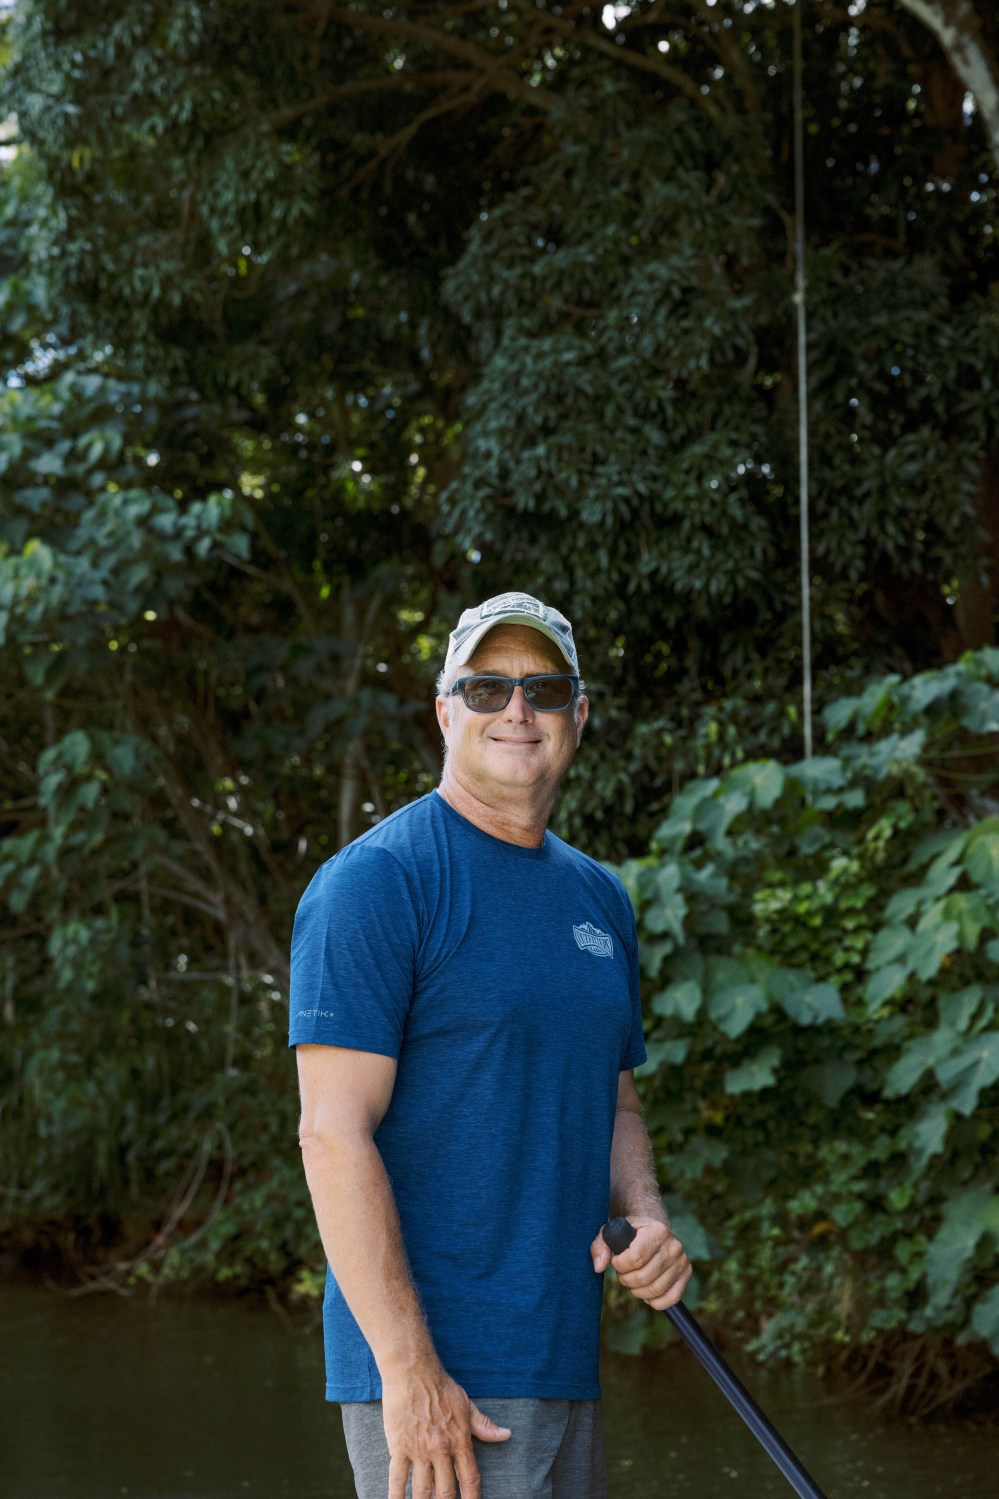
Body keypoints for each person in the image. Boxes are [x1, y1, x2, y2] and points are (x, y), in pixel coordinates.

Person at [290, 591, 691, 1499]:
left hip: (560, 1354)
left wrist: (646, 1212)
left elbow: (613, 1096)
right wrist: (409, 1372)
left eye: (544, 688)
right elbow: (331, 1133)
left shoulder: (599, 899)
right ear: (444, 711)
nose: (517, 709)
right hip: (443, 1379)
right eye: (486, 687)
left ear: (577, 715)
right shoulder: (377, 882)